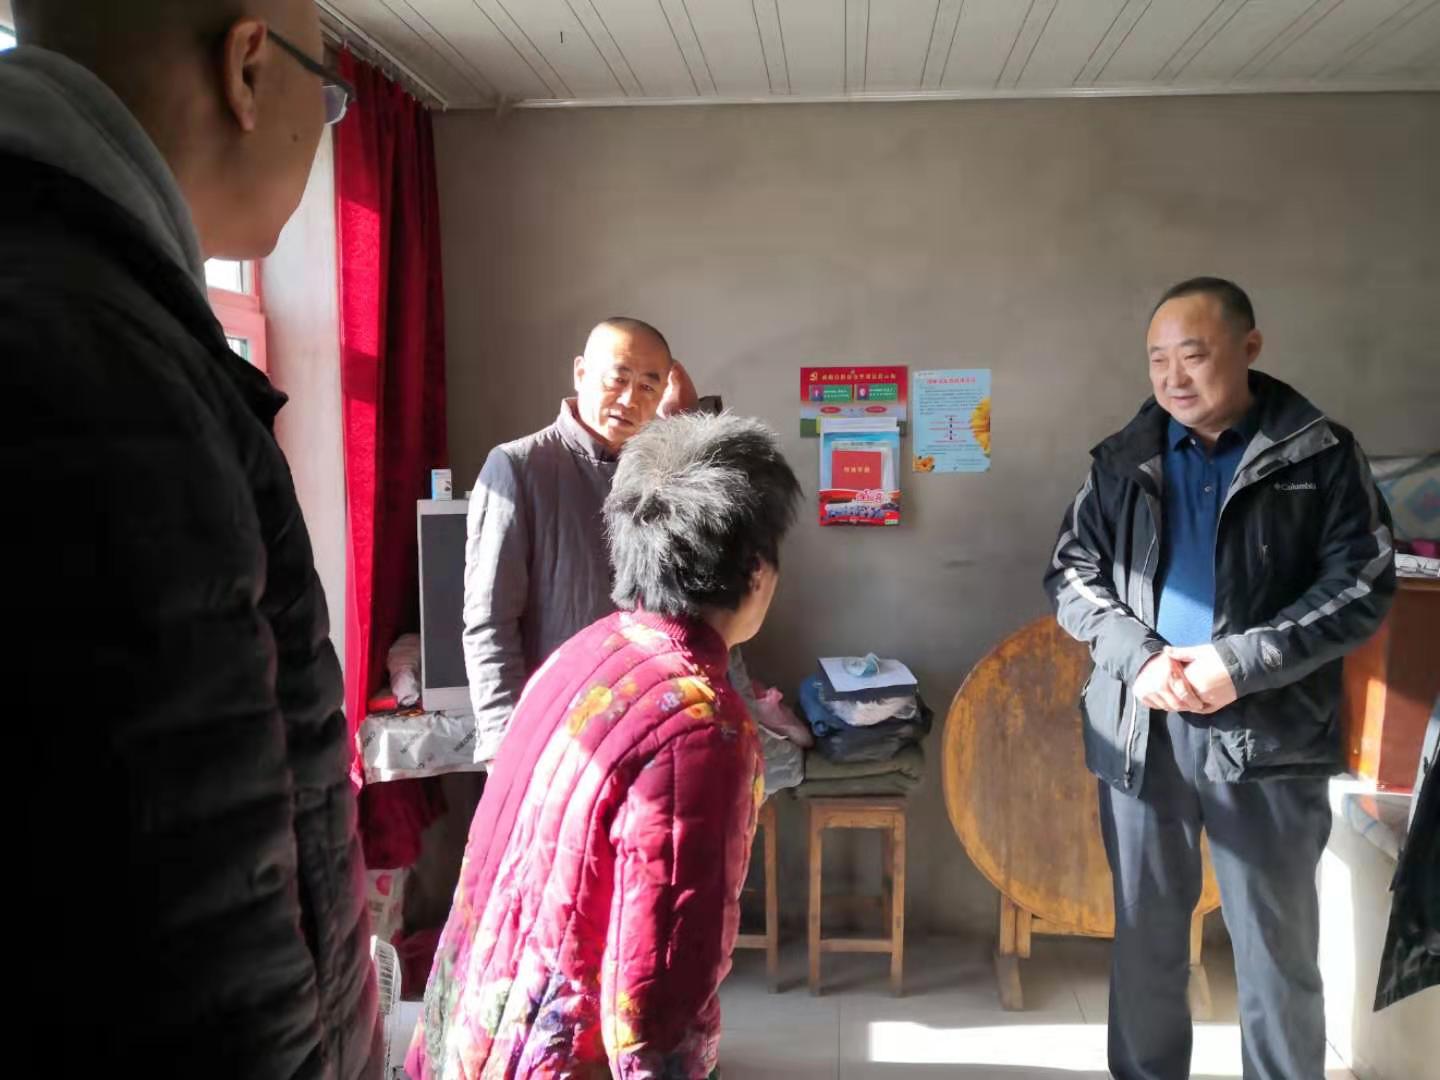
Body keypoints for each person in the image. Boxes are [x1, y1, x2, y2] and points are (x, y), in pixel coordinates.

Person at [1, 1, 378, 1074]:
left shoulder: (93, 302)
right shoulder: (101, 373)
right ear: (248, 69)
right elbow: (203, 941)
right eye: (329, 93)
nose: (325, 129)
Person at [1045, 277, 1395, 1080]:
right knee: (1146, 942)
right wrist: (1140, 658)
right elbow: (1070, 575)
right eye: (1157, 359)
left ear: (1249, 347)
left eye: (1193, 356)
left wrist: (1241, 663)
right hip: (1142, 733)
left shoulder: (1319, 453)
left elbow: (1362, 582)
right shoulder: (1122, 459)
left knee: (1275, 950)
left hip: (1270, 738)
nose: (1173, 377)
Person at [408, 413, 802, 1079]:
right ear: (758, 571)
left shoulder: (584, 652)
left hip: (465, 1036)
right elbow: (660, 1000)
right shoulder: (704, 728)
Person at [462, 316, 714, 763]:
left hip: (653, 728)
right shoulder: (519, 467)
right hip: (556, 736)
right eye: (617, 379)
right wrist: (504, 751)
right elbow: (490, 621)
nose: (630, 399)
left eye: (648, 386)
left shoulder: (661, 477)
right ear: (580, 373)